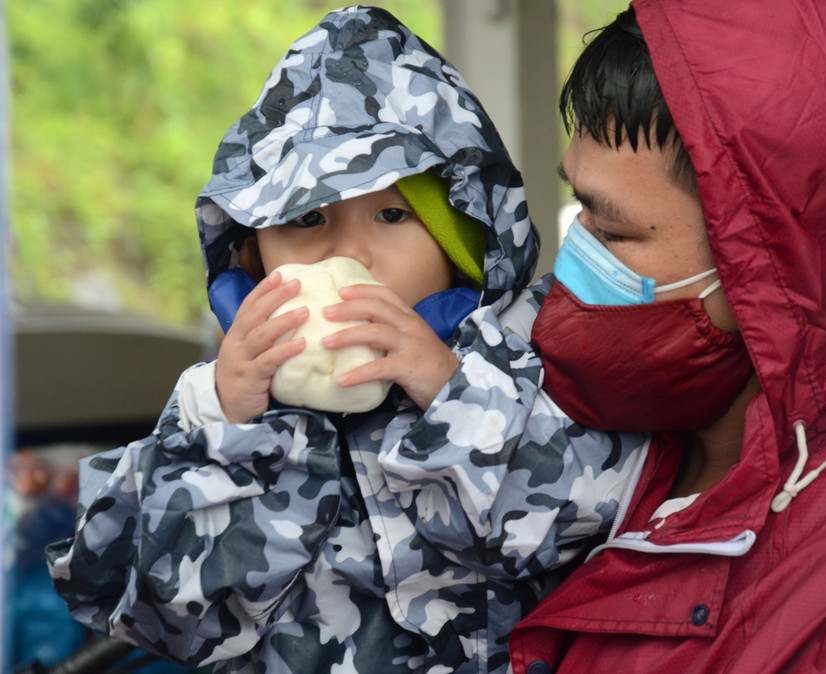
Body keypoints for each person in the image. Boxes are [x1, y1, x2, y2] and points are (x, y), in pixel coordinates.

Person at [45, 7, 648, 673]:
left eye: (393, 214)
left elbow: (587, 523)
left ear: (463, 244)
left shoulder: (526, 362)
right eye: (307, 218)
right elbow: (159, 613)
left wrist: (452, 395)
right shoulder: (221, 406)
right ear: (253, 252)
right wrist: (227, 425)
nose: (350, 252)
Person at [506, 2, 826, 671]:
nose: (574, 266)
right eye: (581, 211)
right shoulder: (636, 420)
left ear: (768, 264)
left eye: (614, 233)